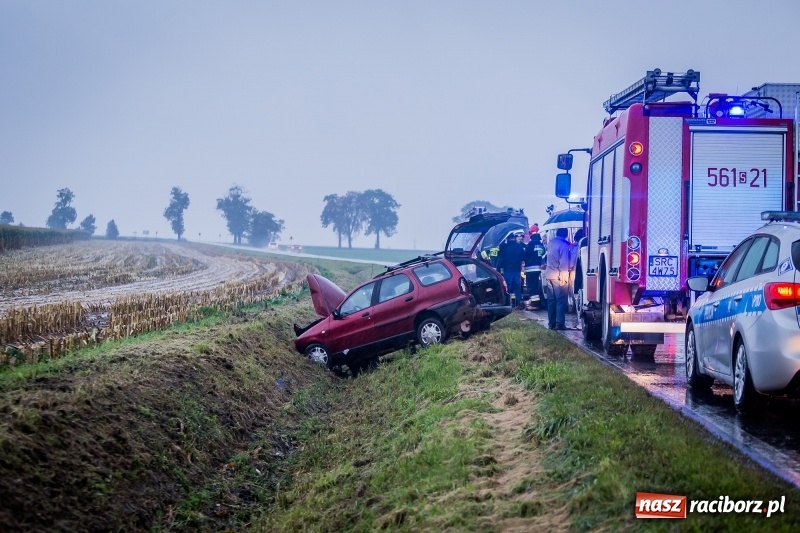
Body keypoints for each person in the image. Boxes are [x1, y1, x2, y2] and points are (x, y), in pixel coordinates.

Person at [542, 227, 574, 329]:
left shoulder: (550, 243)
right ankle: (560, 324)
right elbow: (563, 263)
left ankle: (551, 323)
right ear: (566, 234)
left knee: (551, 300)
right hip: (558, 276)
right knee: (561, 300)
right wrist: (564, 277)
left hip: (549, 276)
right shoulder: (563, 245)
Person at [497, 232, 526, 309]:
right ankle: (520, 302)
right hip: (517, 270)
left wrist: (498, 268)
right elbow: (523, 257)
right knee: (517, 287)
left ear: (507, 239)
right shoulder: (519, 246)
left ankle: (510, 303)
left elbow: (501, 259)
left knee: (508, 287)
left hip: (508, 270)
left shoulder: (504, 247)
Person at [523, 225, 545, 309]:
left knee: (531, 286)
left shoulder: (530, 244)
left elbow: (525, 255)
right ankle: (537, 303)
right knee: (536, 286)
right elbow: (542, 253)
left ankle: (534, 304)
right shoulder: (540, 244)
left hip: (530, 269)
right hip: (538, 268)